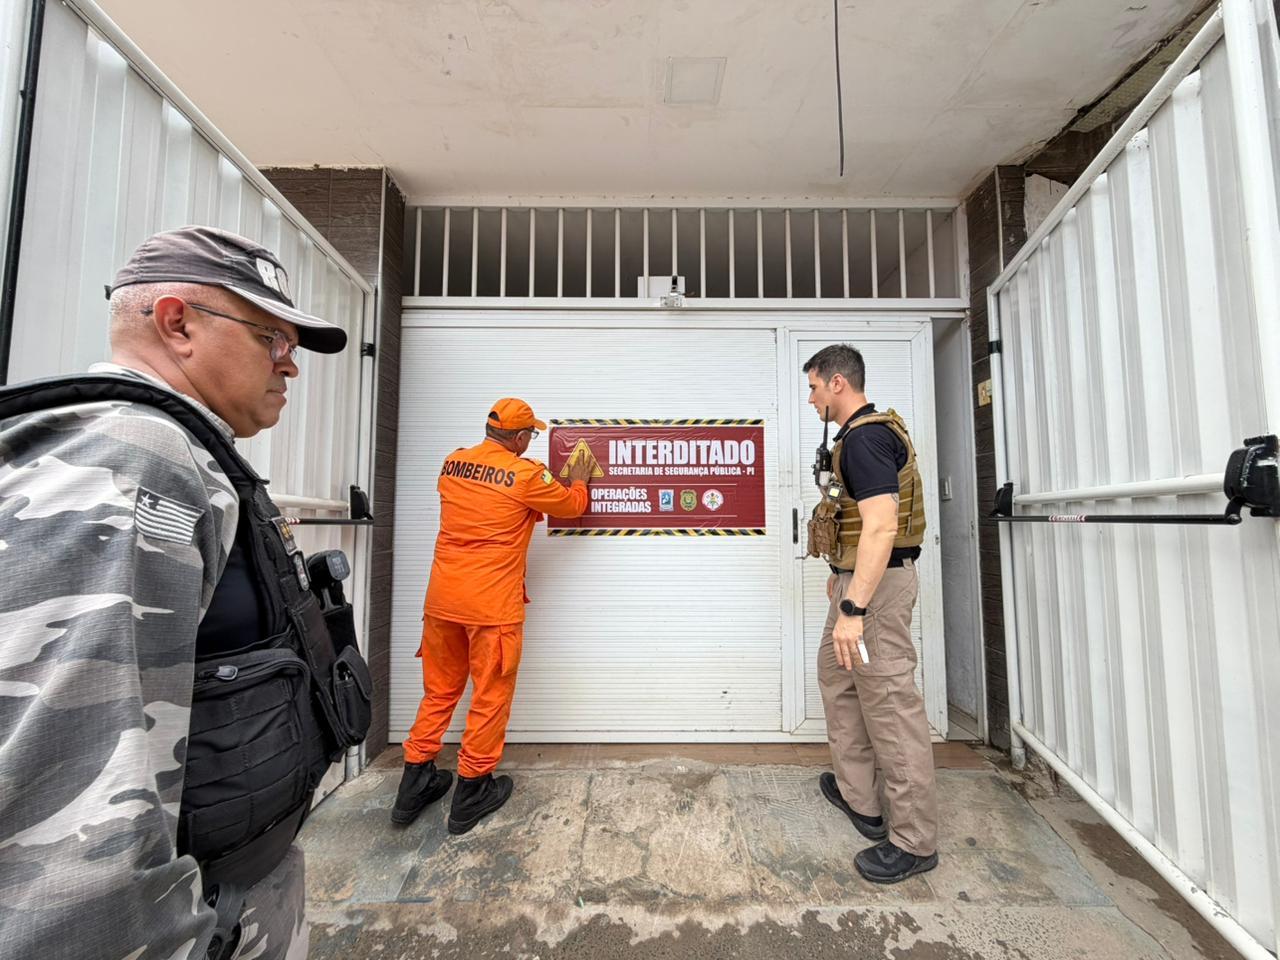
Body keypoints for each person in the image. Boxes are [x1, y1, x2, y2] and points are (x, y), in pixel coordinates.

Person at [0, 225, 369, 959]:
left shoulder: (184, 455)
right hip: (189, 926)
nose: (290, 363)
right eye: (271, 337)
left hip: (228, 894)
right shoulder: (134, 462)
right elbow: (67, 804)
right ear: (177, 324)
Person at [394, 400, 593, 833]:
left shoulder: (452, 464)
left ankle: (414, 783)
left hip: (442, 601)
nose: (531, 441)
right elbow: (570, 505)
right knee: (489, 697)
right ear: (519, 437)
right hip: (491, 609)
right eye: (531, 435)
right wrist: (579, 480)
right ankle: (472, 790)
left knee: (438, 692)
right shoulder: (526, 475)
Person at [803, 343, 939, 883]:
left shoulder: (865, 439)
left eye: (814, 387)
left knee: (889, 702)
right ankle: (860, 796)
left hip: (876, 593)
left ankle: (914, 840)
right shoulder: (854, 437)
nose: (811, 399)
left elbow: (882, 526)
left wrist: (855, 606)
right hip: (857, 582)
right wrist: (841, 576)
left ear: (837, 383)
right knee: (837, 677)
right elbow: (858, 522)